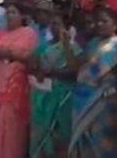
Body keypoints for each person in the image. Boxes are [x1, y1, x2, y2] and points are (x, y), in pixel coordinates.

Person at [68, 8, 117, 158]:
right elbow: (79, 69)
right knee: (84, 142)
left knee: (103, 145)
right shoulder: (92, 44)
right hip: (83, 100)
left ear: (115, 24)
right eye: (98, 21)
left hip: (106, 105)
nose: (100, 24)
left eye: (104, 21)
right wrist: (67, 45)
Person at [0, 4, 38, 158]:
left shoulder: (28, 34)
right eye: (8, 12)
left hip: (16, 85)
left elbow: (30, 57)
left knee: (13, 125)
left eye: (14, 12)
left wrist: (8, 53)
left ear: (22, 16)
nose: (9, 15)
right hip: (0, 85)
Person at [29, 12, 82, 158]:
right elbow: (33, 67)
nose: (54, 27)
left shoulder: (74, 48)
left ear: (67, 28)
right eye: (52, 24)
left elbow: (75, 72)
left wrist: (53, 71)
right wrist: (36, 70)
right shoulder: (43, 46)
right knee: (41, 133)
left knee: (61, 134)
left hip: (64, 96)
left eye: (58, 24)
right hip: (44, 96)